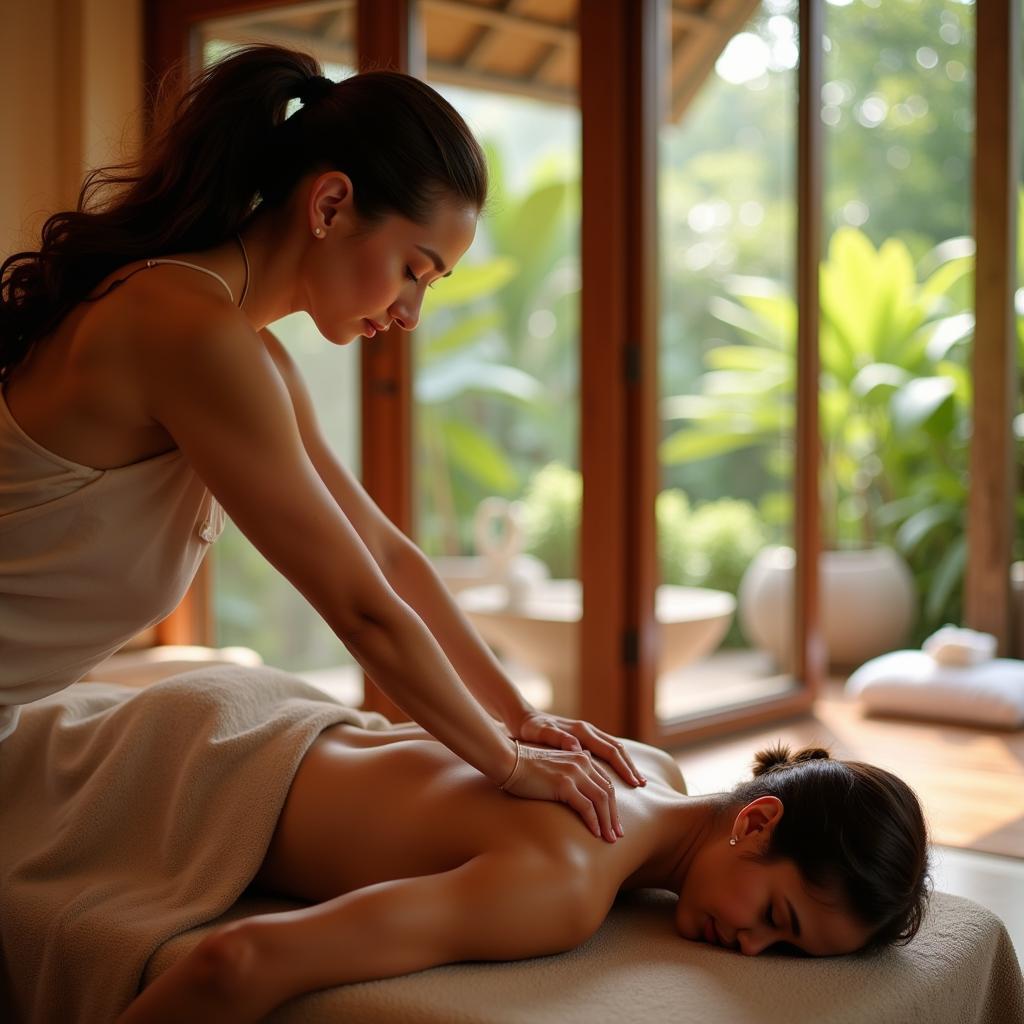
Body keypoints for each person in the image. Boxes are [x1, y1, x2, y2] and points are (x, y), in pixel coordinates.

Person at [0, 41, 647, 839]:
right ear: (332, 204)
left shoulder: (245, 347)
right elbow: (358, 606)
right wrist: (509, 767)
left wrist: (522, 719)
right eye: (414, 269)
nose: (412, 312)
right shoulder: (186, 328)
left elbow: (385, 555)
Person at [119, 734, 932, 1020]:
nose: (753, 952)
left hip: (257, 721)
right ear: (756, 823)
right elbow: (241, 961)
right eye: (777, 918)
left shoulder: (644, 766)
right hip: (165, 788)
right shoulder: (564, 889)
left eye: (786, 954)